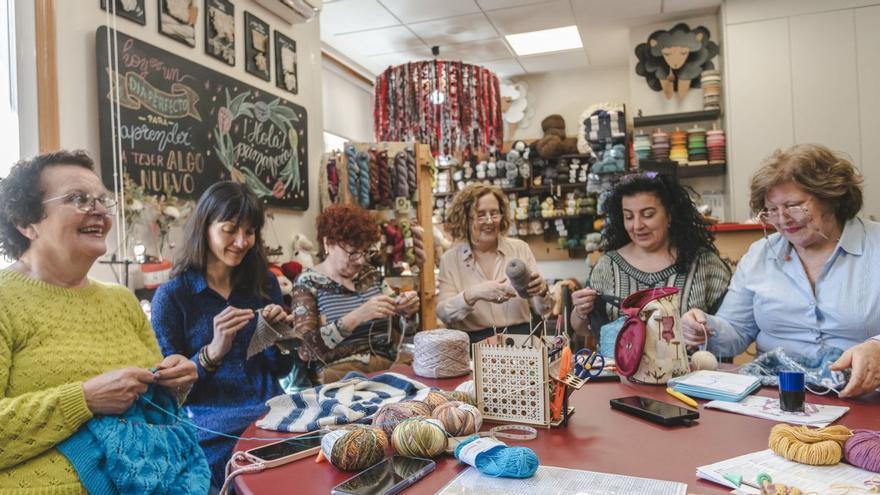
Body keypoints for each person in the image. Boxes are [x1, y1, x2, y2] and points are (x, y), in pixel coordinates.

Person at [0, 151, 200, 492]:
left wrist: (176, 384)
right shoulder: (6, 300)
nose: (97, 210)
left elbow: (155, 414)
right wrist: (84, 399)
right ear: (26, 222)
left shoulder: (121, 300)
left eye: (102, 200)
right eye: (77, 199)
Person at [681, 144, 880, 398]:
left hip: (865, 399)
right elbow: (736, 332)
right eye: (772, 210)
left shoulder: (875, 246)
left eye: (794, 205)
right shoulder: (759, 255)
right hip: (776, 396)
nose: (783, 219)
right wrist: (704, 326)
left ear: (831, 197)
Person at [150, 181, 297, 488]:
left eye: (250, 231)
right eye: (230, 229)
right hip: (212, 427)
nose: (242, 242)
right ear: (205, 227)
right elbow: (169, 393)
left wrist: (277, 335)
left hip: (272, 414)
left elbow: (281, 369)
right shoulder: (173, 297)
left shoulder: (264, 284)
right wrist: (212, 354)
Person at [571, 172, 731, 334]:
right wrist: (580, 311)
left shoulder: (704, 264)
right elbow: (584, 330)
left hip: (689, 360)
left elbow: (732, 329)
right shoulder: (607, 267)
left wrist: (705, 330)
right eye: (628, 216)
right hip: (617, 360)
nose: (637, 225)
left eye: (648, 215)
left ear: (669, 215)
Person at [287, 204, 419, 384]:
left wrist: (407, 311)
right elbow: (305, 350)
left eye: (366, 252)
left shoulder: (371, 276)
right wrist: (357, 316)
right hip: (339, 379)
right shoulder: (307, 283)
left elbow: (405, 331)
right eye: (353, 252)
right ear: (328, 244)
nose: (361, 260)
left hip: (386, 371)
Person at [437, 184, 551, 343]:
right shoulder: (450, 260)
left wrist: (542, 291)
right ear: (465, 218)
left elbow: (544, 309)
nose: (489, 221)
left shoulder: (520, 249)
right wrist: (474, 294)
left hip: (521, 342)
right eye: (481, 215)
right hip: (473, 346)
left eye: (494, 213)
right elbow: (443, 313)